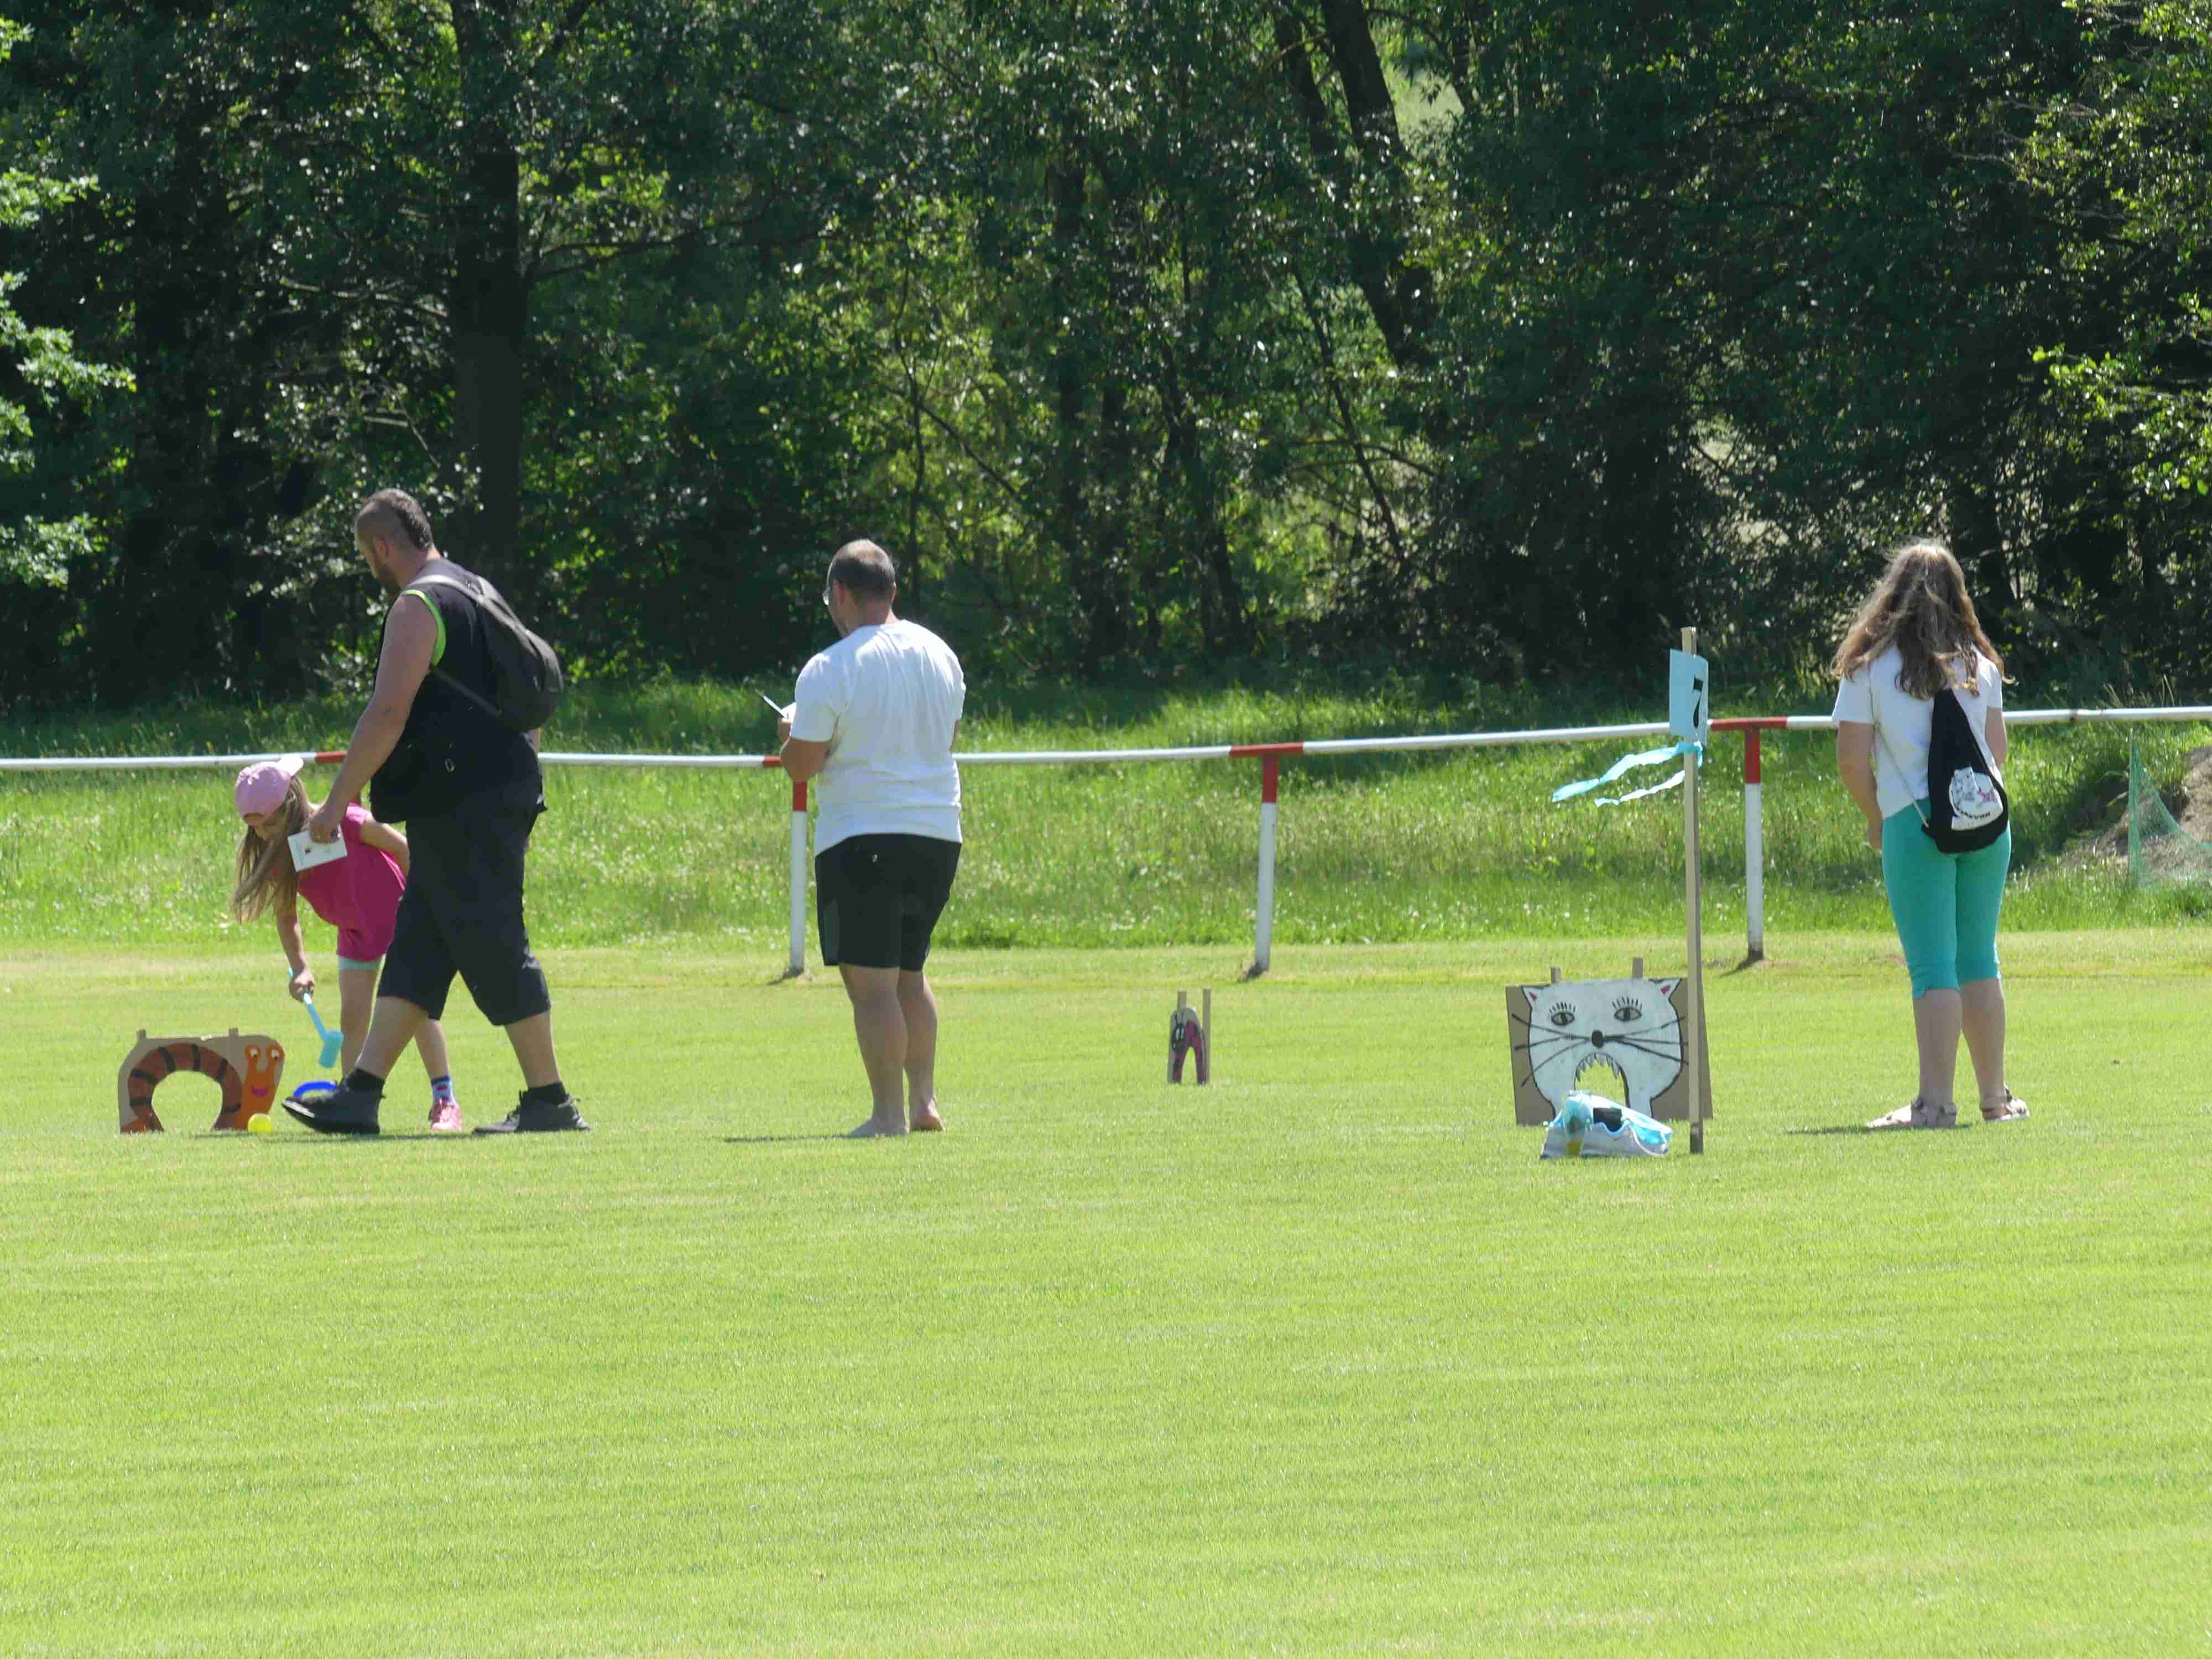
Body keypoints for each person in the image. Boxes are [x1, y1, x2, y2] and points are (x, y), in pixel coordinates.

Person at [283, 488, 587, 1136]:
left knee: (495, 941)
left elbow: (388, 711)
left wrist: (337, 803)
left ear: (383, 547)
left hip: (463, 803)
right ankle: (361, 1094)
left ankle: (551, 1100)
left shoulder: (418, 604)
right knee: (419, 945)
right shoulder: (478, 590)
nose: (370, 565)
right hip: (485, 795)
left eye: (367, 555)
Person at [1832, 539, 2028, 1130]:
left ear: (1890, 596)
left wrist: (1876, 818)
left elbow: (1850, 759)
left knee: (1933, 967)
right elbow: (1996, 753)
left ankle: (1935, 1103)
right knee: (1979, 958)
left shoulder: (1868, 668)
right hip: (1986, 827)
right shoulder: (1980, 666)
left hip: (1914, 825)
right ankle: (1995, 1099)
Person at [778, 539, 966, 1138]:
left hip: (863, 836)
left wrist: (789, 732)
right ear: (892, 591)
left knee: (872, 986)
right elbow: (947, 737)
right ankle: (924, 1101)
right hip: (938, 834)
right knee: (910, 972)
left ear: (840, 593)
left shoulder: (830, 667)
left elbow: (802, 765)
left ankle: (887, 1116)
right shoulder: (941, 654)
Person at [232, 755, 463, 1130]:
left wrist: (424, 906)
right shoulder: (280, 856)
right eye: (254, 828)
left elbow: (405, 850)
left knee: (416, 1012)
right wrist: (301, 967)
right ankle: (355, 1105)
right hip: (356, 934)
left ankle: (445, 1100)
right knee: (353, 1019)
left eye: (269, 824)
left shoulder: (349, 821)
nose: (263, 835)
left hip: (405, 922)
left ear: (292, 803)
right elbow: (287, 917)